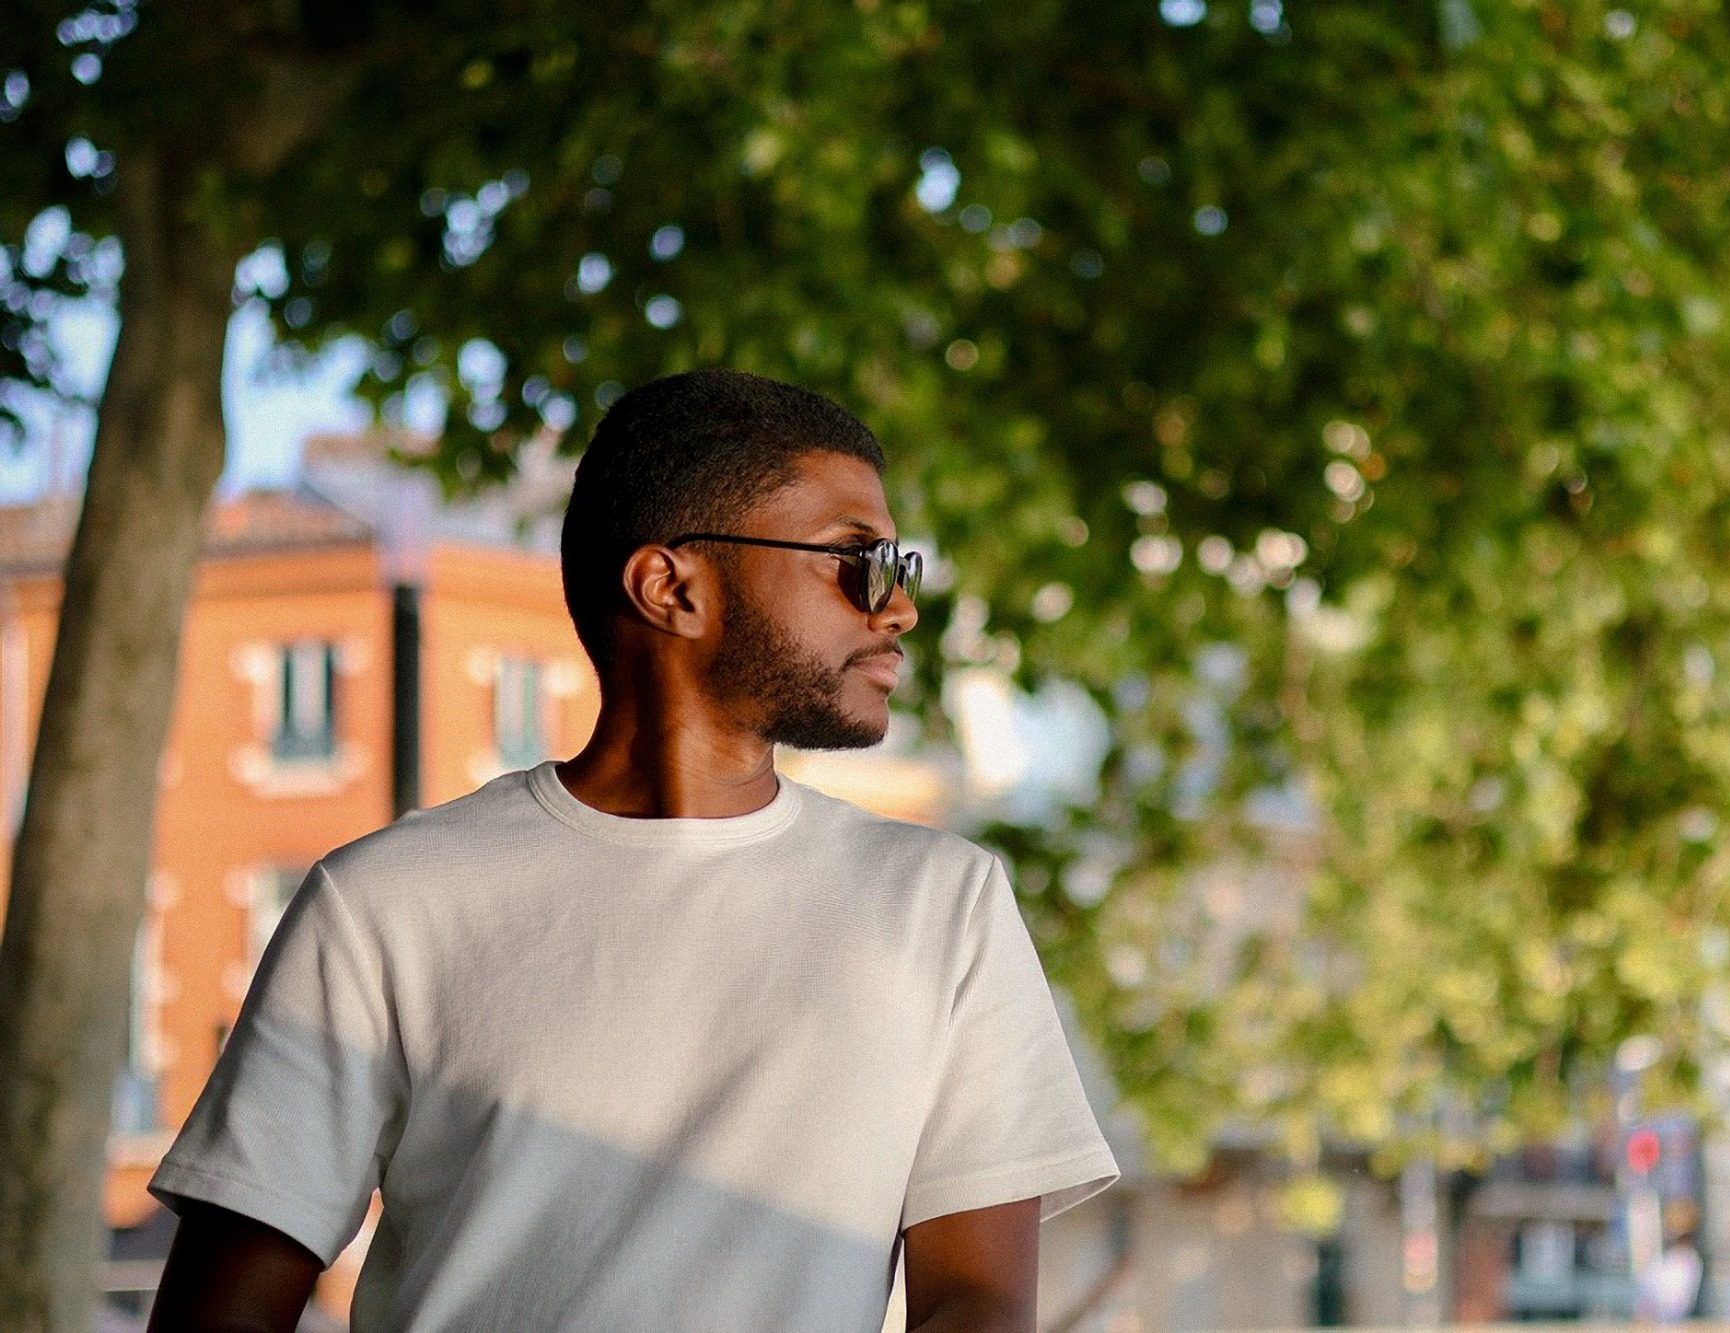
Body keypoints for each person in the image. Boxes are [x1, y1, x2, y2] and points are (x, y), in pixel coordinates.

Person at [146, 370, 1119, 1331]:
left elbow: (978, 1302)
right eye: (854, 561)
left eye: (899, 569)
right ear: (671, 587)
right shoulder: (385, 904)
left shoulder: (940, 905)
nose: (895, 609)